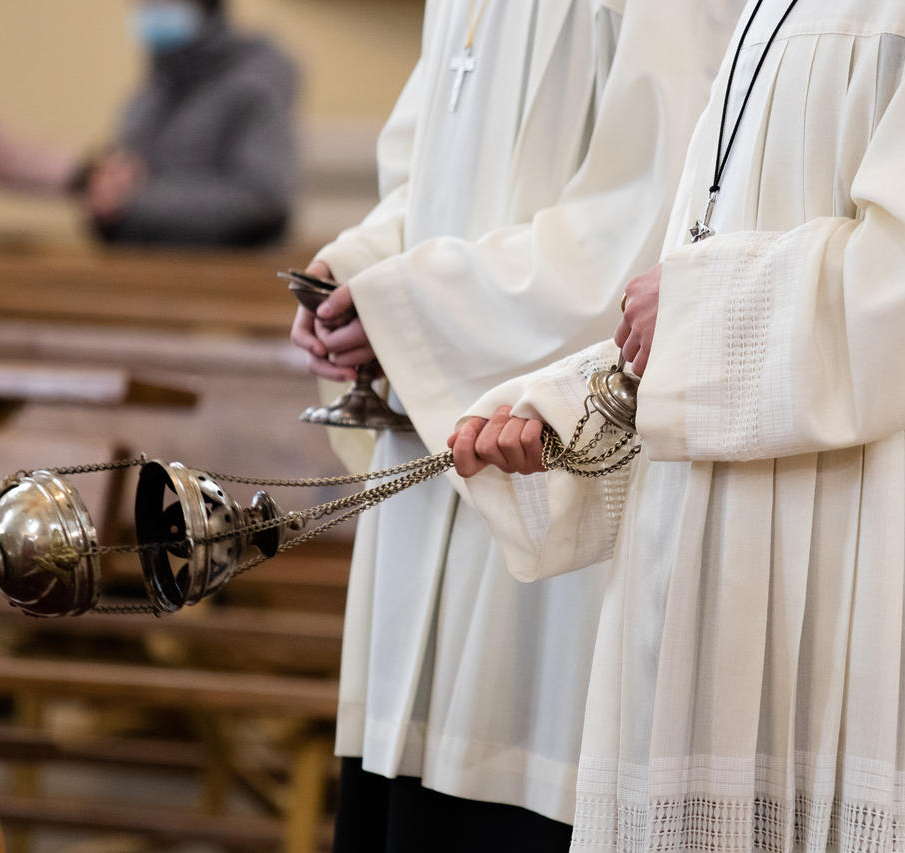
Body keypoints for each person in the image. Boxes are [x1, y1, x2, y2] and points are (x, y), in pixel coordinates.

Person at [451, 0, 905, 849]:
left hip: (871, 615)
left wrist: (689, 312)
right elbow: (700, 270)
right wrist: (572, 407)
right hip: (701, 601)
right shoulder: (767, 11)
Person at [290, 1, 742, 849]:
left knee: (494, 783)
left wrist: (406, 302)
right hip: (423, 478)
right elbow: (427, 183)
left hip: (542, 478)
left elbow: (637, 237)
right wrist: (358, 271)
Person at [88, 0, 298, 247]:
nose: (147, 10)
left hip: (230, 272)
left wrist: (134, 202)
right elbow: (125, 173)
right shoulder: (152, 91)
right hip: (144, 262)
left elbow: (262, 199)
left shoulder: (255, 83)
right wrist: (102, 188)